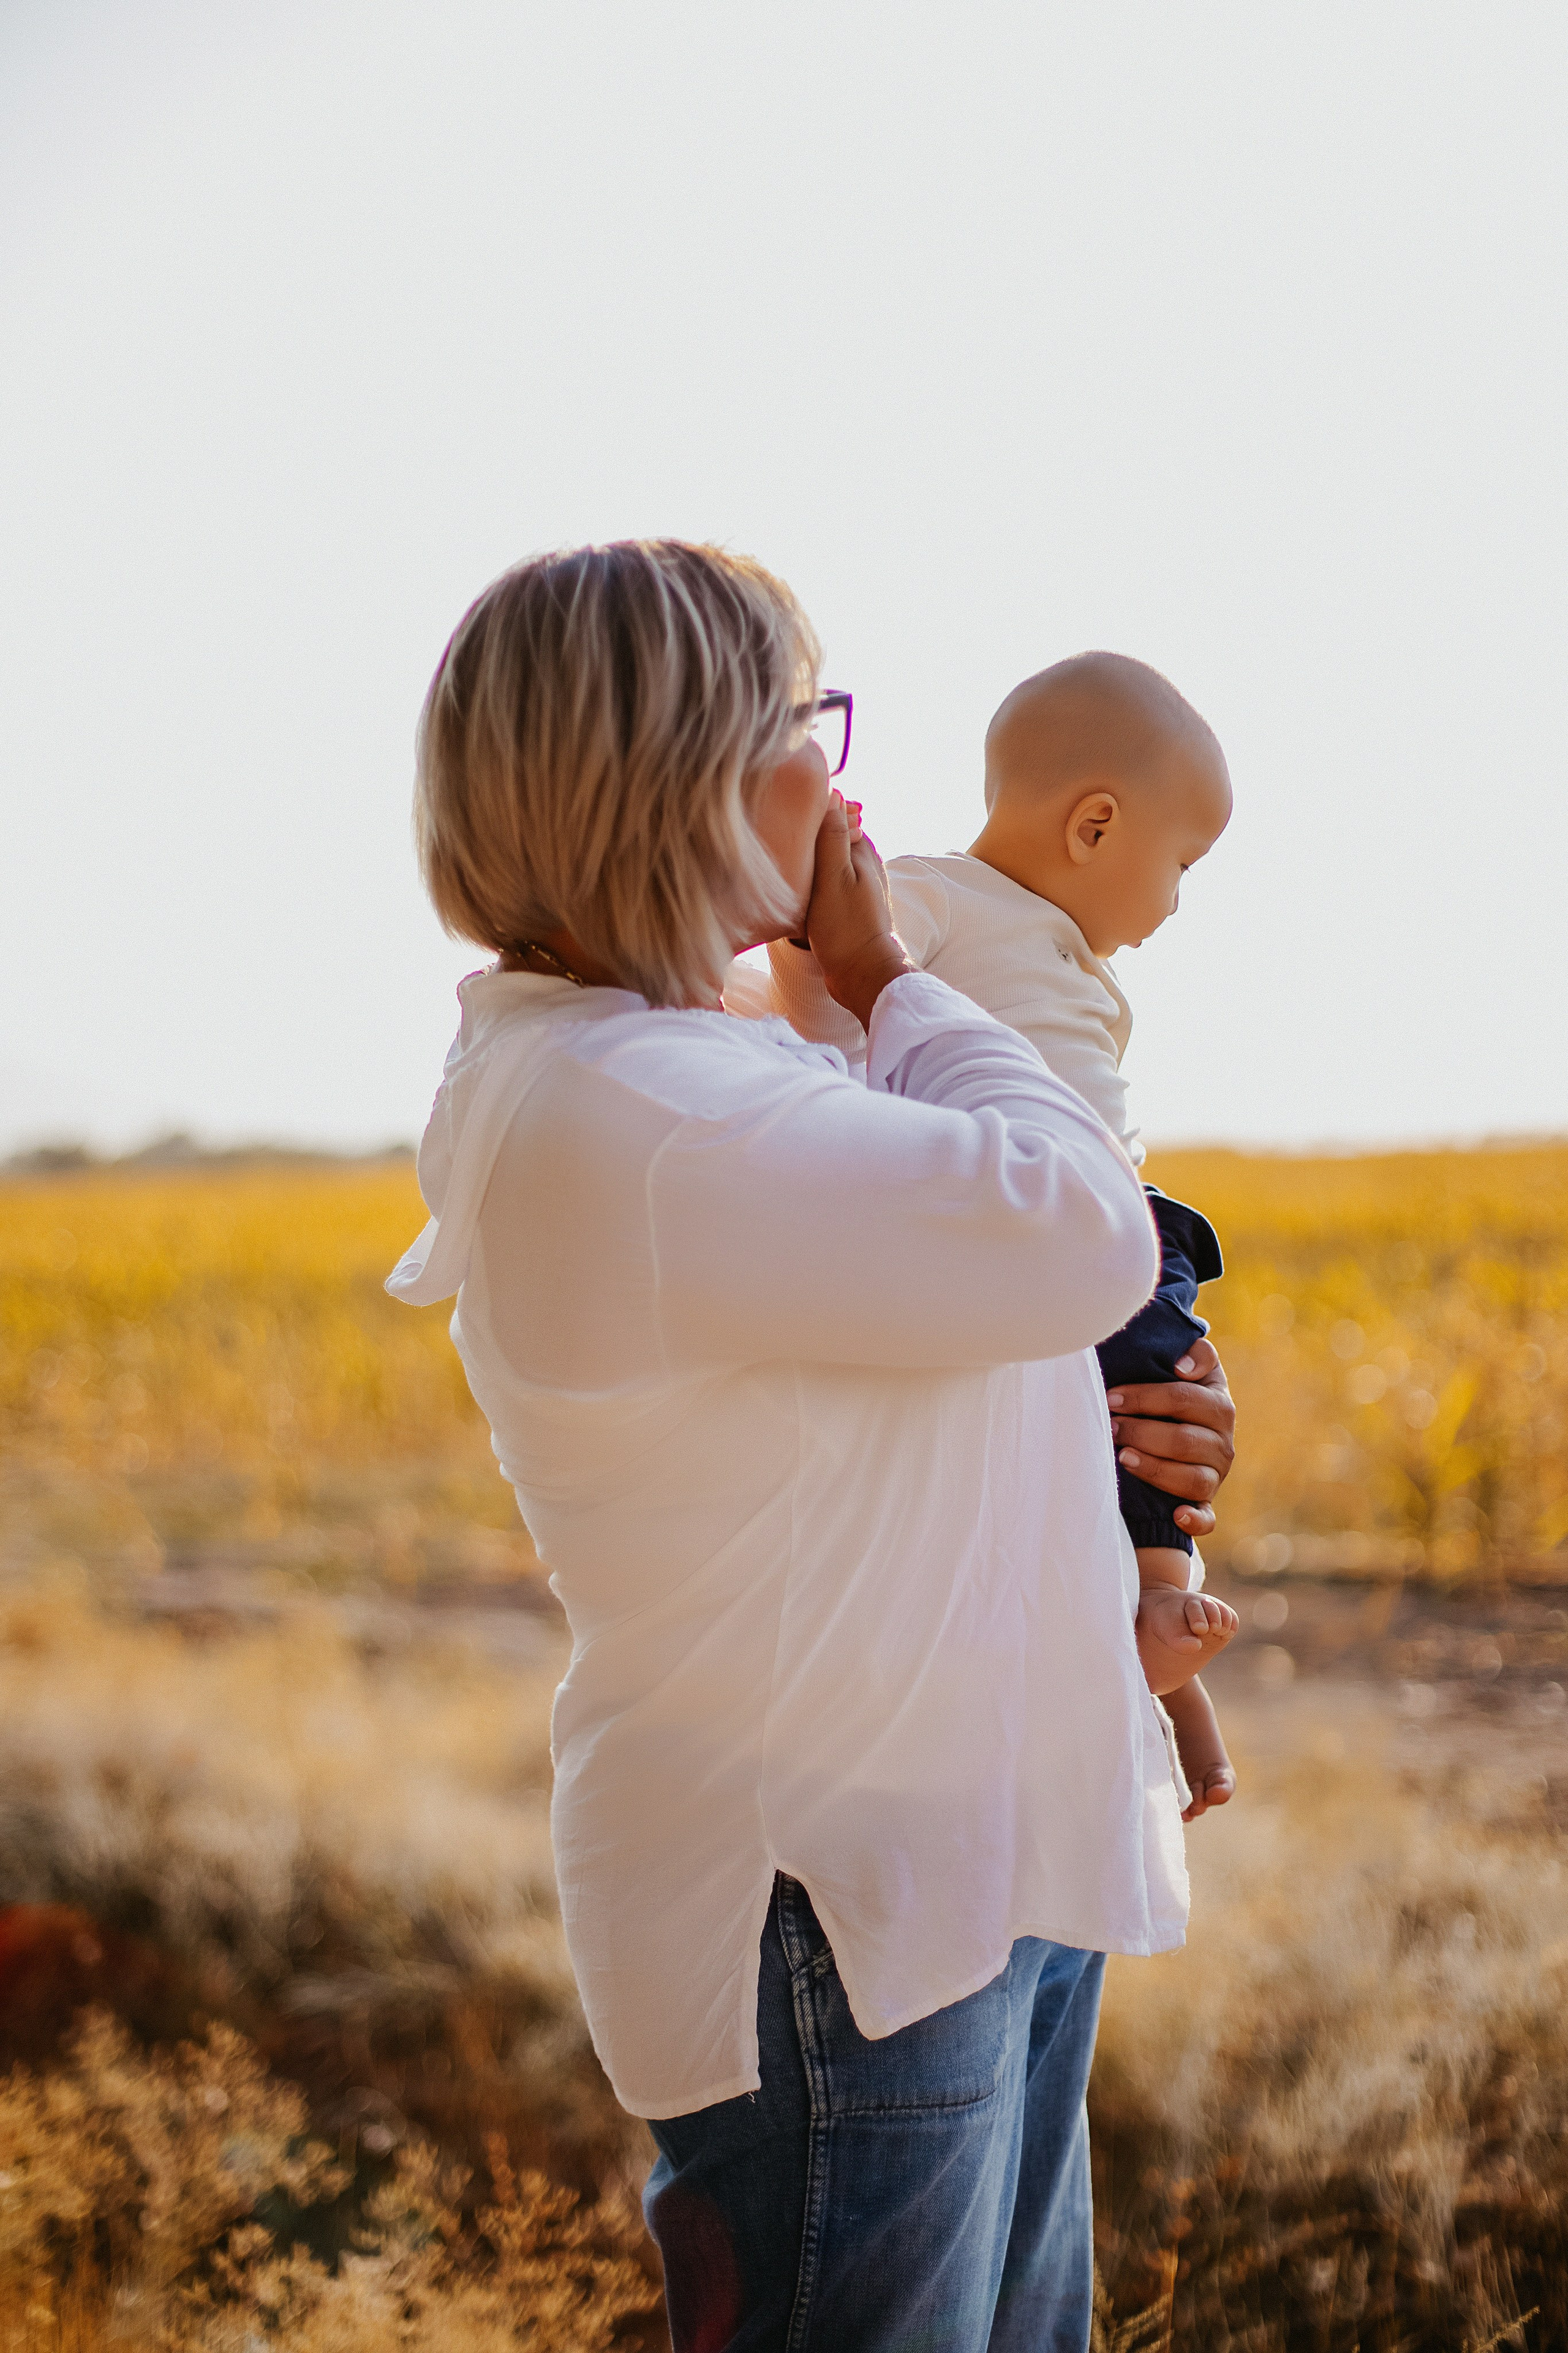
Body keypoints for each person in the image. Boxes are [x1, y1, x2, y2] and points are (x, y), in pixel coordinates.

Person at [387, 542, 1237, 2352]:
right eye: (806, 723)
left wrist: (1104, 1410)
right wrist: (888, 979)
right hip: (843, 1920)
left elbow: (978, 1304)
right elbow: (1077, 1224)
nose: (846, 774)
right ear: (684, 770)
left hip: (947, 1870)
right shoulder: (643, 1109)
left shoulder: (684, 1065)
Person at [761, 652, 1239, 1818]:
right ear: (1094, 826)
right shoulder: (938, 897)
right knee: (1135, 1409)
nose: (1176, 902)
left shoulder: (1054, 941)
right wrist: (817, 904)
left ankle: (1166, 1623)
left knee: (1157, 1407)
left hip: (1117, 1217)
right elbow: (817, 972)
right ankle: (1164, 1645)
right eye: (1179, 866)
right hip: (1035, 1222)